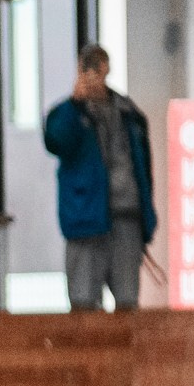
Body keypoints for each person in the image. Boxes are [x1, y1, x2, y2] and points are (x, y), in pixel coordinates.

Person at [43, 44, 157, 312]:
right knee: (83, 305)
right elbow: (56, 142)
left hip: (127, 218)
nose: (94, 73)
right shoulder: (67, 114)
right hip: (86, 221)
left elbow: (143, 169)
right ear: (79, 69)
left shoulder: (129, 113)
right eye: (88, 66)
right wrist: (75, 104)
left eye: (99, 66)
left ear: (107, 68)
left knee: (128, 304)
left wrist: (146, 219)